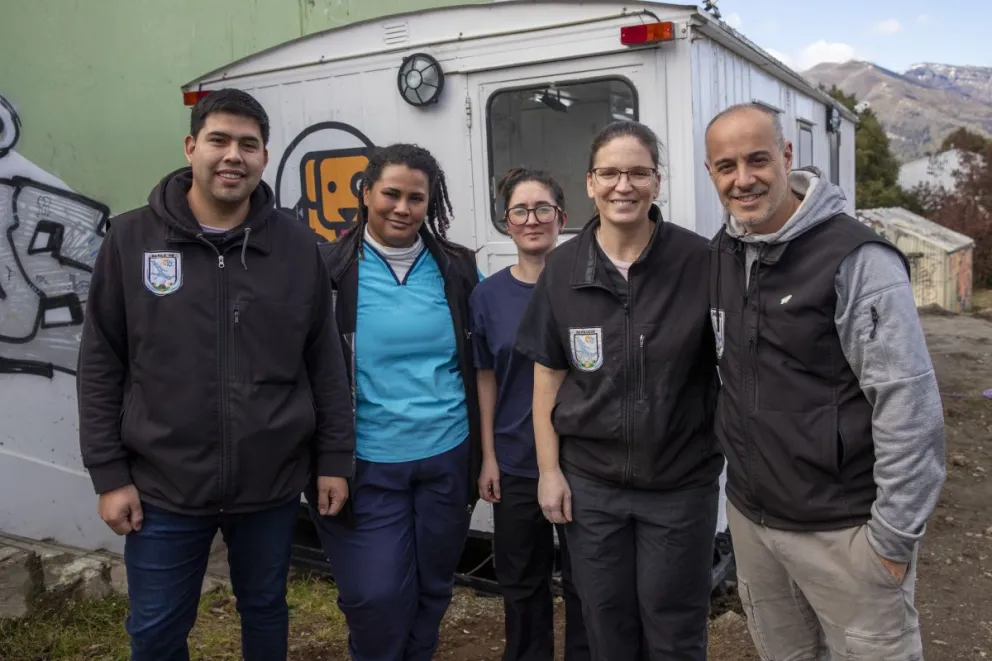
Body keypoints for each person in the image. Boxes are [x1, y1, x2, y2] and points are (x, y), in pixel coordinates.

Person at [76, 88, 355, 661]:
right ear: (191, 147)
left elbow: (324, 360)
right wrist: (109, 474)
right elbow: (101, 361)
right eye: (219, 140)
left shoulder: (298, 245)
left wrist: (333, 460)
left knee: (266, 612)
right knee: (155, 632)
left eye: (248, 144)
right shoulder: (132, 240)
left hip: (270, 482)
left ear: (263, 155)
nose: (233, 155)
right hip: (161, 486)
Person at [704, 102, 946, 660]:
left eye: (758, 159)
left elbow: (909, 403)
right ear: (712, 174)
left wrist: (892, 540)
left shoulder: (855, 257)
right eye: (725, 166)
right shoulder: (723, 253)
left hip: (844, 533)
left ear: (787, 156)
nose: (743, 179)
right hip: (753, 522)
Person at [515, 121, 723, 661]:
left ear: (657, 181)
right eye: (609, 172)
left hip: (679, 486)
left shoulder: (700, 262)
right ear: (589, 182)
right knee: (606, 627)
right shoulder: (562, 269)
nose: (622, 186)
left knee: (674, 629)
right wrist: (549, 471)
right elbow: (547, 377)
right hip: (593, 489)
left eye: (637, 172)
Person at [312, 143, 482, 661]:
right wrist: (325, 460)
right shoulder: (329, 269)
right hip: (366, 463)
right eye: (390, 194)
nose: (402, 208)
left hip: (446, 457)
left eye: (416, 198)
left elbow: (477, 358)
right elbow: (311, 370)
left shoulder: (456, 267)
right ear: (366, 193)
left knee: (433, 587)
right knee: (375, 596)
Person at [470, 168, 590, 661]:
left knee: (586, 583)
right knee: (522, 583)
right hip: (517, 463)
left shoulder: (586, 286)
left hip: (584, 461)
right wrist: (489, 457)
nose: (532, 219)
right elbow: (486, 377)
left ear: (562, 218)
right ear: (507, 222)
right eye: (520, 210)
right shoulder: (487, 297)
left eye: (543, 209)